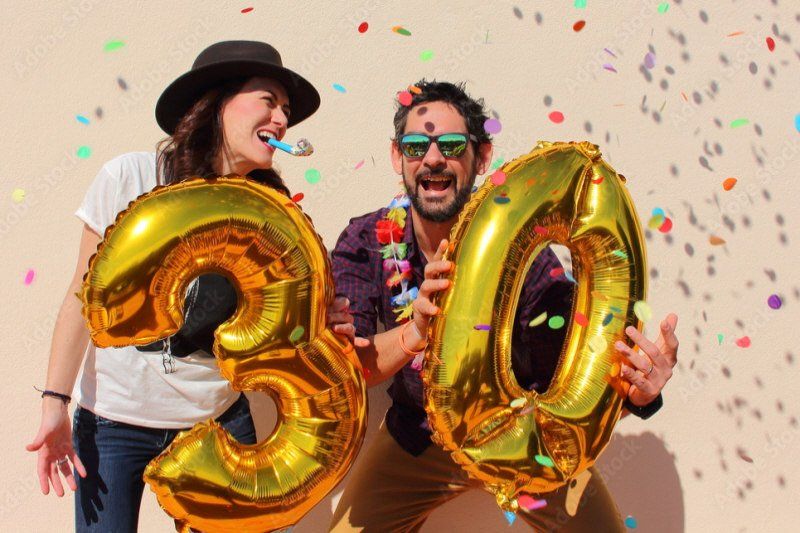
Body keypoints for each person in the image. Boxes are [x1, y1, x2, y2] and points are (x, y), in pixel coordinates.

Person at [26, 40, 356, 532]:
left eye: (287, 110)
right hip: (113, 424)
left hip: (215, 420)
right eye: (268, 100)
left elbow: (276, 328)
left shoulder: (273, 217)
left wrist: (316, 323)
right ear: (217, 103)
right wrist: (54, 402)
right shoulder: (130, 177)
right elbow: (81, 298)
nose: (283, 119)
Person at [329, 79, 680, 532]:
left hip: (526, 440)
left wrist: (640, 392)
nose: (433, 158)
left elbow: (577, 382)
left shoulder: (531, 261)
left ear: (483, 156)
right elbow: (348, 368)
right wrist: (414, 330)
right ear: (398, 157)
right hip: (419, 437)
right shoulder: (365, 240)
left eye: (452, 144)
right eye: (416, 146)